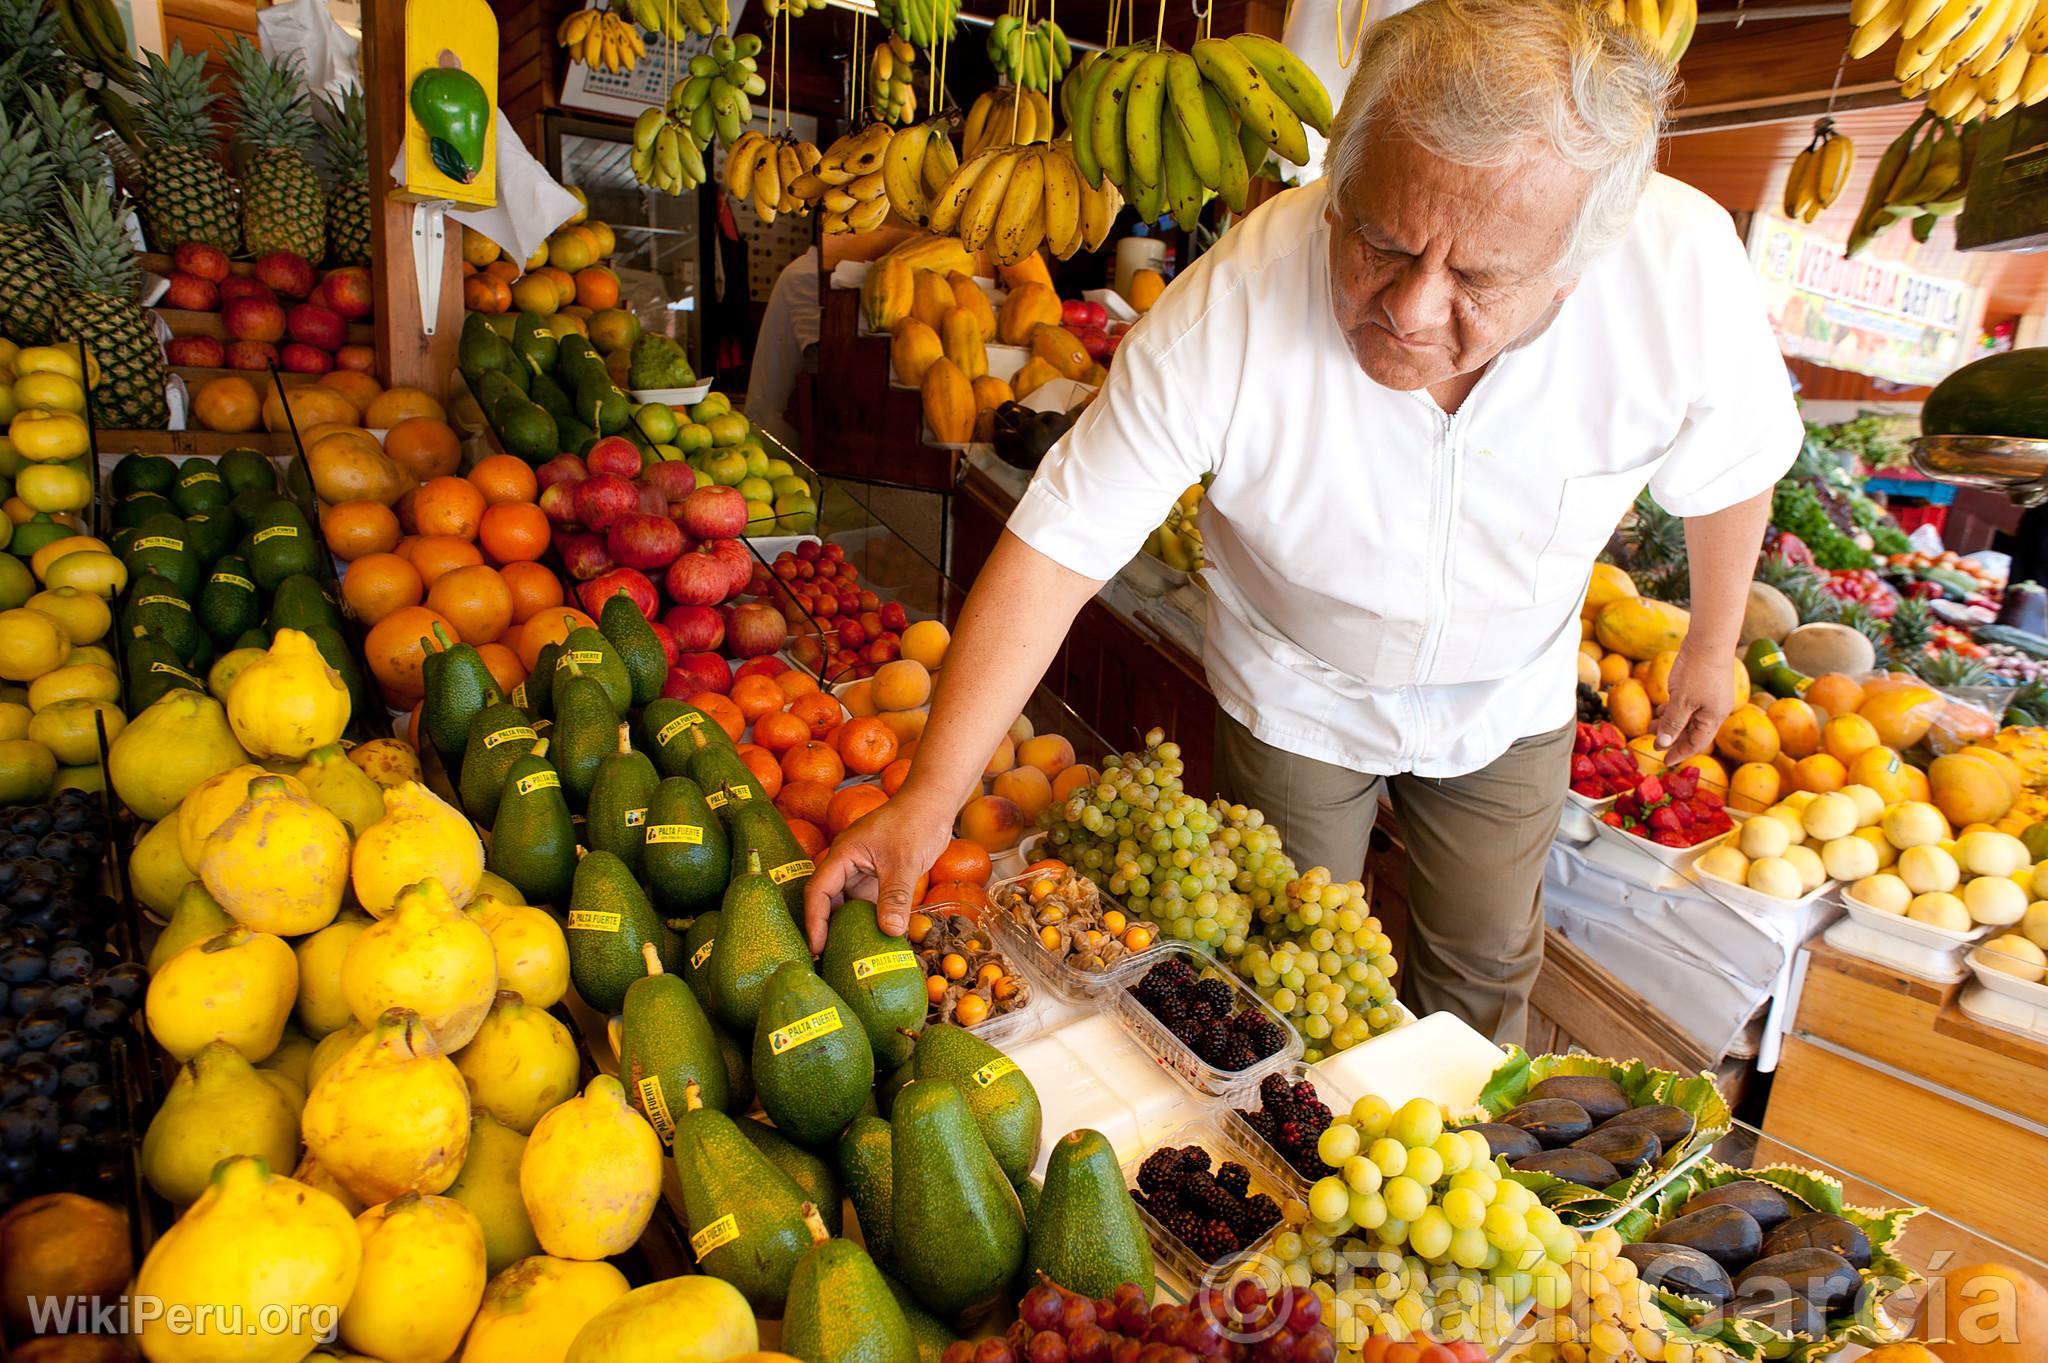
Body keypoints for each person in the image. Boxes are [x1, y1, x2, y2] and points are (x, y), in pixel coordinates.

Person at [803, 0, 1802, 1044]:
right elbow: (1061, 541)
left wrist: (1711, 639)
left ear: (1571, 267)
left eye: (1474, 278)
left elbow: (1730, 458)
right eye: (1378, 243)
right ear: (1336, 188)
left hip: (1508, 690)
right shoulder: (1228, 304)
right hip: (1295, 686)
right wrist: (928, 796)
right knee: (1272, 990)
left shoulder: (1676, 272)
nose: (1411, 312)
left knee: (1481, 975)